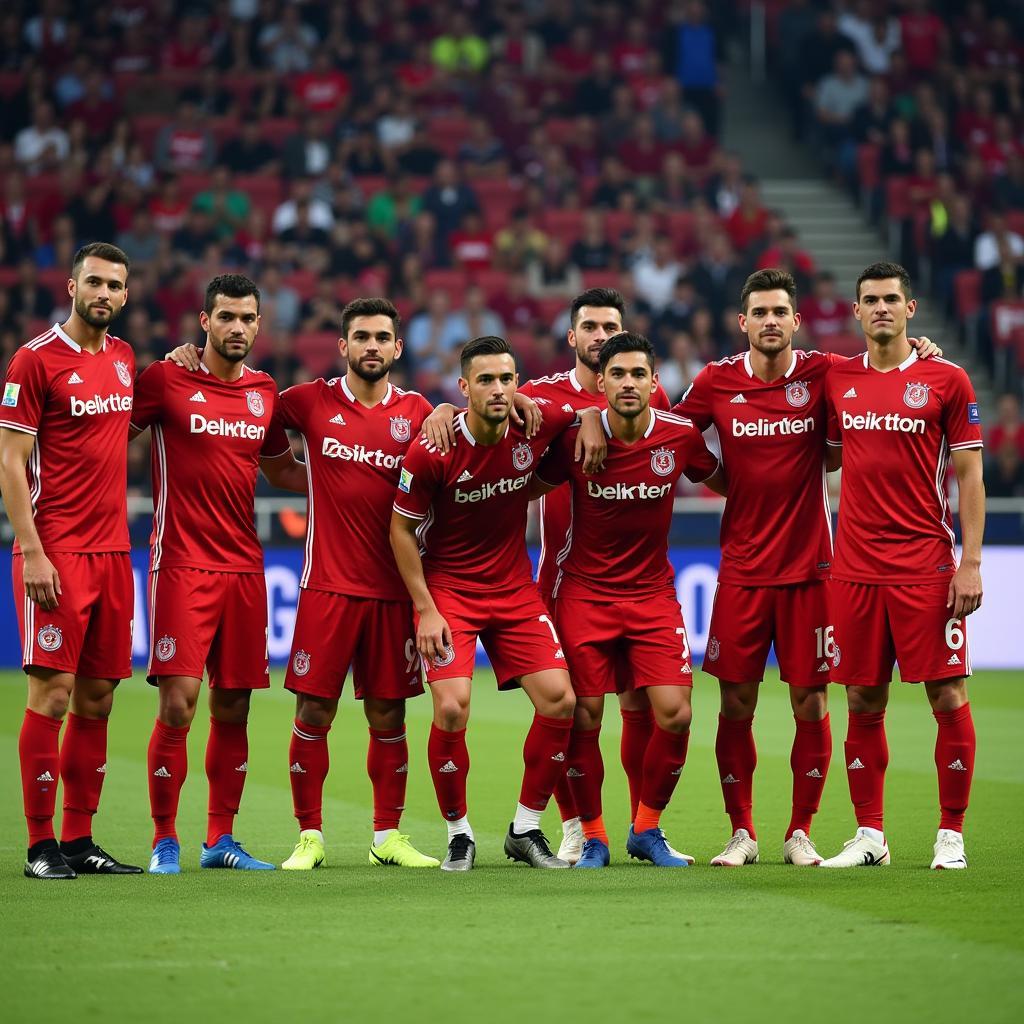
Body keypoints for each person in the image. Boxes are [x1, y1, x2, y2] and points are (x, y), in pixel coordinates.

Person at [675, 268, 942, 867]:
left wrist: (922, 350)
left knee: (811, 705)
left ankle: (800, 831)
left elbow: (884, 366)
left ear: (796, 321)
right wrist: (725, 481)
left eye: (780, 312)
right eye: (759, 313)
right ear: (742, 322)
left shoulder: (825, 372)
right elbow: (675, 435)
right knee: (736, 704)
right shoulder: (717, 381)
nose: (770, 321)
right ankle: (741, 831)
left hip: (813, 569)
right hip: (742, 570)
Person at [420, 288, 673, 864]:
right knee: (578, 709)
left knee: (632, 705)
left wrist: (590, 413)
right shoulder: (534, 397)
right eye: (591, 326)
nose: (602, 335)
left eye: (612, 325)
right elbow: (478, 406)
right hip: (562, 578)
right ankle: (573, 827)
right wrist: (440, 410)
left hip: (633, 581)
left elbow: (670, 432)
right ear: (572, 336)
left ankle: (640, 827)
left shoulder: (643, 390)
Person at [390, 336, 603, 871]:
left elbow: (588, 402)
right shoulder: (433, 446)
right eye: (485, 380)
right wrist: (426, 609)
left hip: (513, 590)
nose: (499, 389)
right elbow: (400, 529)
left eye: (507, 379)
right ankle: (459, 833)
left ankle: (525, 829)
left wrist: (592, 420)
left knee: (561, 699)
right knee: (452, 705)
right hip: (450, 592)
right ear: (464, 388)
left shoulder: (532, 425)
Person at [131, 274, 306, 874]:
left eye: (248, 318)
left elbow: (284, 473)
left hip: (244, 566)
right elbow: (106, 436)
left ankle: (219, 840)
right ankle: (163, 840)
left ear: (260, 325)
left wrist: (359, 475)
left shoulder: (264, 392)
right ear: (204, 321)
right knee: (179, 704)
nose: (237, 328)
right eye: (226, 317)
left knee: (234, 708)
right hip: (180, 562)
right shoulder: (164, 379)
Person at [533, 332, 725, 868]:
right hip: (585, 595)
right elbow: (519, 478)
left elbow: (728, 479)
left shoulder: (680, 436)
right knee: (585, 713)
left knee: (676, 713)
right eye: (617, 374)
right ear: (600, 383)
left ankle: (646, 828)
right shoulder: (575, 438)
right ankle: (594, 837)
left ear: (654, 383)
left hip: (652, 596)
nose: (628, 383)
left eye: (639, 374)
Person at [821, 262, 984, 870]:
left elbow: (970, 475)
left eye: (892, 299)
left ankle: (951, 834)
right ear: (856, 312)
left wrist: (970, 562)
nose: (882, 307)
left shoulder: (947, 379)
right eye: (871, 300)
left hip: (925, 565)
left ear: (910, 310)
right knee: (863, 700)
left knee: (947, 693)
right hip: (855, 568)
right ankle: (870, 837)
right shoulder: (836, 378)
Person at [276, 298, 440, 870]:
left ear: (398, 348)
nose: (372, 346)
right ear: (342, 347)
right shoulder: (308, 401)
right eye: (361, 337)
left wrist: (445, 411)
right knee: (314, 710)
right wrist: (296, 475)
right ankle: (310, 837)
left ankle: (387, 836)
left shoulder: (420, 412)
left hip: (395, 593)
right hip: (328, 587)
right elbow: (258, 420)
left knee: (390, 716)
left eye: (382, 338)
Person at [0, 242, 141, 879]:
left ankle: (80, 840)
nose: (104, 293)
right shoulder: (33, 362)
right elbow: (8, 463)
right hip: (55, 551)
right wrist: (32, 551)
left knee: (98, 698)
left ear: (126, 294)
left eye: (115, 285)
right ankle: (38, 846)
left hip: (115, 553)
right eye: (95, 282)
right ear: (70, 285)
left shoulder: (124, 358)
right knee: (51, 696)